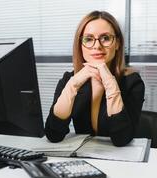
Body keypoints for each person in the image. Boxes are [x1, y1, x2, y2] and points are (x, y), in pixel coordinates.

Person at [44, 11, 145, 147]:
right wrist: (72, 85)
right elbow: (53, 135)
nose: (97, 45)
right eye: (89, 39)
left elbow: (121, 139)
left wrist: (110, 83)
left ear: (117, 44)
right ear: (80, 46)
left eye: (105, 38)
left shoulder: (132, 82)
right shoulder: (69, 80)